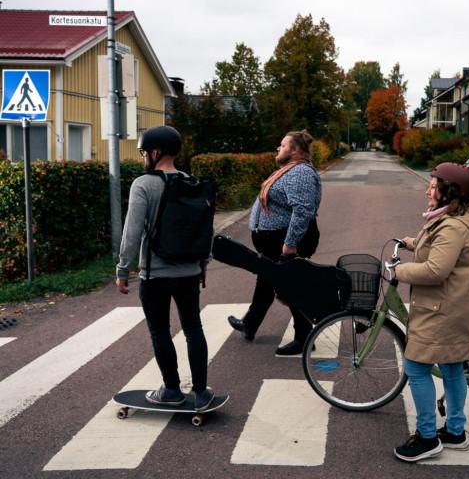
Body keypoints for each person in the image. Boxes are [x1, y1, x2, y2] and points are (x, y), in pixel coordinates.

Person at [116, 125, 214, 411]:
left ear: (156, 152)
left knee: (160, 331)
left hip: (156, 275)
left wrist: (123, 269)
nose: (143, 157)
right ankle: (201, 391)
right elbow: (204, 229)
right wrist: (203, 264)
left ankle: (171, 389)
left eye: (144, 152)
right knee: (193, 328)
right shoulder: (191, 181)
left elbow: (131, 233)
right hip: (189, 272)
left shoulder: (143, 184)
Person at [390, 163, 469, 463]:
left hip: (441, 309)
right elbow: (438, 249)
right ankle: (455, 432)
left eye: (433, 186)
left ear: (448, 193)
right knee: (453, 368)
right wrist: (411, 243)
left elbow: (435, 269)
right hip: (452, 306)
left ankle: (428, 438)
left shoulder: (452, 227)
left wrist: (399, 270)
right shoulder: (451, 219)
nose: (428, 190)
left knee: (416, 367)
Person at [228, 130, 321, 356]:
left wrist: (290, 244)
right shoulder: (289, 170)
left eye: (282, 145)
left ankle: (304, 335)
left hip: (285, 240)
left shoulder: (300, 173)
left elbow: (303, 210)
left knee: (290, 285)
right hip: (275, 239)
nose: (278, 148)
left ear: (294, 150)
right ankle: (250, 323)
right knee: (267, 279)